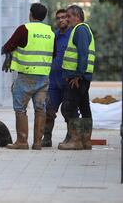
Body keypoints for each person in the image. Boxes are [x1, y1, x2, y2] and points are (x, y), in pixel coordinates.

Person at [1, 3, 55, 150]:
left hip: (26, 76)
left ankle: (22, 142)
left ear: (31, 14)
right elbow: (54, 53)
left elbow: (7, 46)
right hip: (43, 77)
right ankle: (37, 143)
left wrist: (7, 55)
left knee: (20, 108)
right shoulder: (50, 32)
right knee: (40, 109)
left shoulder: (25, 29)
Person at [58, 5, 96, 150]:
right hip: (81, 77)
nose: (66, 19)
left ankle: (76, 141)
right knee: (84, 107)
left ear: (77, 16)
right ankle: (85, 141)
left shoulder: (80, 30)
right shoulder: (82, 30)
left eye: (68, 16)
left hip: (77, 78)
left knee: (69, 107)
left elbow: (83, 54)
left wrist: (78, 74)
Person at [41, 9, 72, 147]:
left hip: (67, 79)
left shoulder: (73, 35)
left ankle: (70, 138)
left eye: (64, 17)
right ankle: (46, 138)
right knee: (49, 110)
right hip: (53, 80)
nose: (61, 20)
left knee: (68, 110)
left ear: (69, 19)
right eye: (58, 18)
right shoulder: (53, 36)